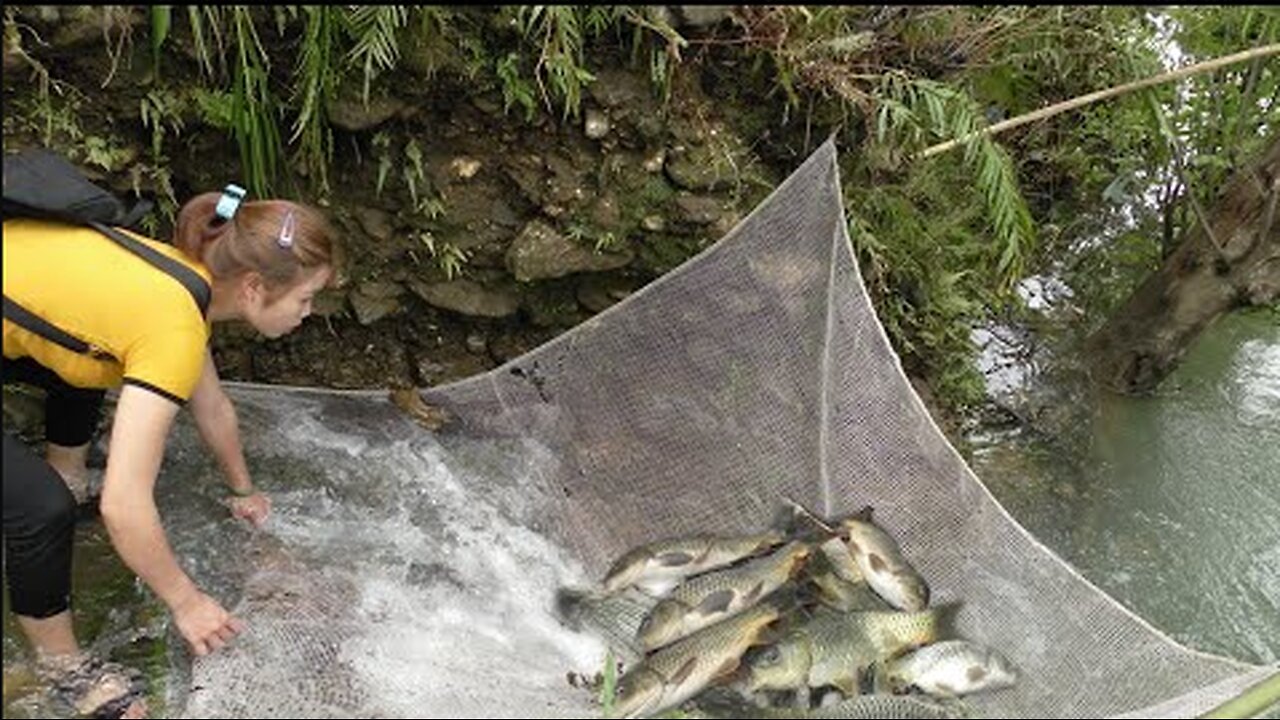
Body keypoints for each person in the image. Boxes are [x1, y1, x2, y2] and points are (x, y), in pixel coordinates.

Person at [2, 184, 342, 718]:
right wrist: (188, 602)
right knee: (38, 510)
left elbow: (211, 405)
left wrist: (243, 490)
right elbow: (124, 504)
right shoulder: (174, 327)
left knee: (94, 349)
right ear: (254, 288)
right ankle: (63, 669)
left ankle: (68, 474)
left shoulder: (182, 283)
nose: (308, 312)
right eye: (304, 298)